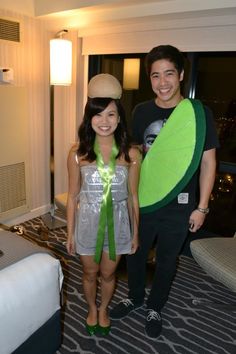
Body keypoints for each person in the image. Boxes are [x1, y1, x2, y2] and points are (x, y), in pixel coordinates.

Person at [110, 45, 219, 338]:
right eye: (155, 75)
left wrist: (203, 206)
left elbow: (208, 161)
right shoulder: (141, 111)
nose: (163, 82)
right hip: (144, 199)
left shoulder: (198, 114)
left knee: (168, 260)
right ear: (150, 78)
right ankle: (134, 297)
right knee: (135, 253)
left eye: (169, 73)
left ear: (181, 75)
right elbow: (134, 156)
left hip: (181, 204)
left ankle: (155, 305)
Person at [66, 73, 141, 336]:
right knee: (89, 273)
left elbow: (133, 197)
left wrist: (135, 233)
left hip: (119, 224)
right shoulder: (77, 155)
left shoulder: (131, 154)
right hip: (87, 222)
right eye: (98, 115)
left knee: (108, 275)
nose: (104, 121)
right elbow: (73, 196)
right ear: (89, 119)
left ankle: (104, 308)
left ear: (119, 118)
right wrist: (69, 234)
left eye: (111, 114)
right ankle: (90, 307)